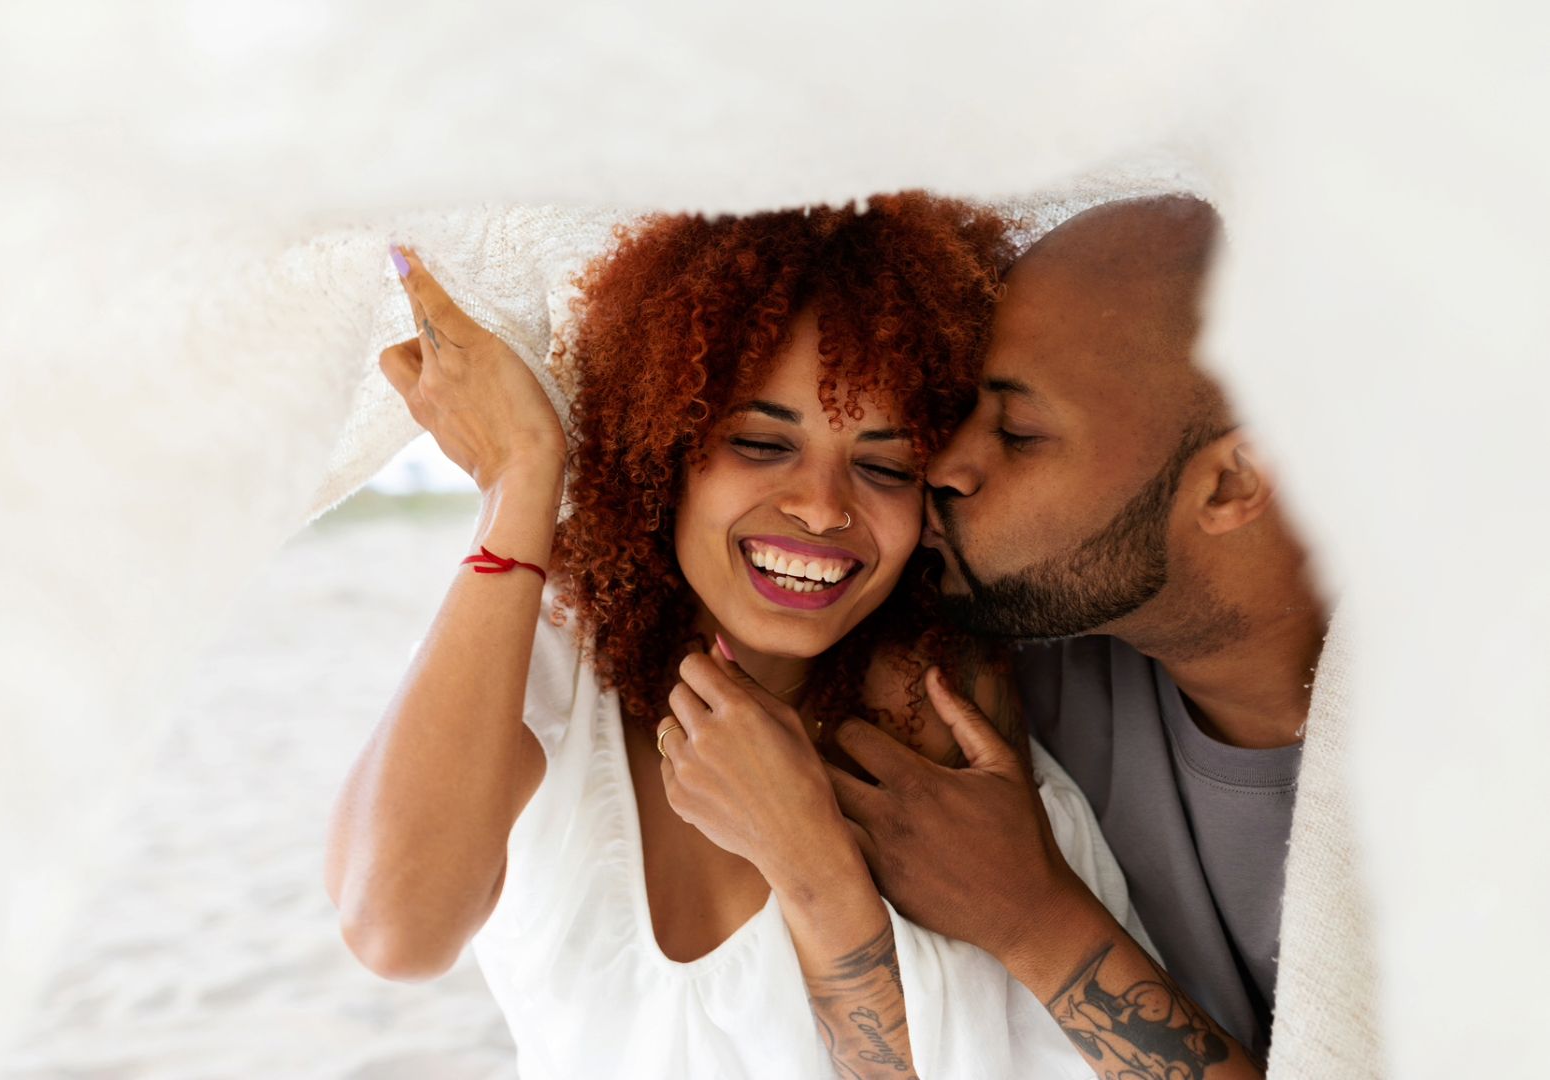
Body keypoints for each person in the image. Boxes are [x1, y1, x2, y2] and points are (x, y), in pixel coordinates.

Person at [324, 195, 1153, 1079]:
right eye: (762, 443)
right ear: (661, 449)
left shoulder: (949, 718)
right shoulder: (550, 670)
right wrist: (522, 475)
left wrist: (815, 869)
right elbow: (394, 931)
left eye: (883, 466)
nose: (825, 507)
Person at [700, 194, 1332, 1079]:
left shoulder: (1476, 789)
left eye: (1020, 432)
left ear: (1231, 484)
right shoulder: (1000, 656)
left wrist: (1037, 920)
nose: (946, 468)